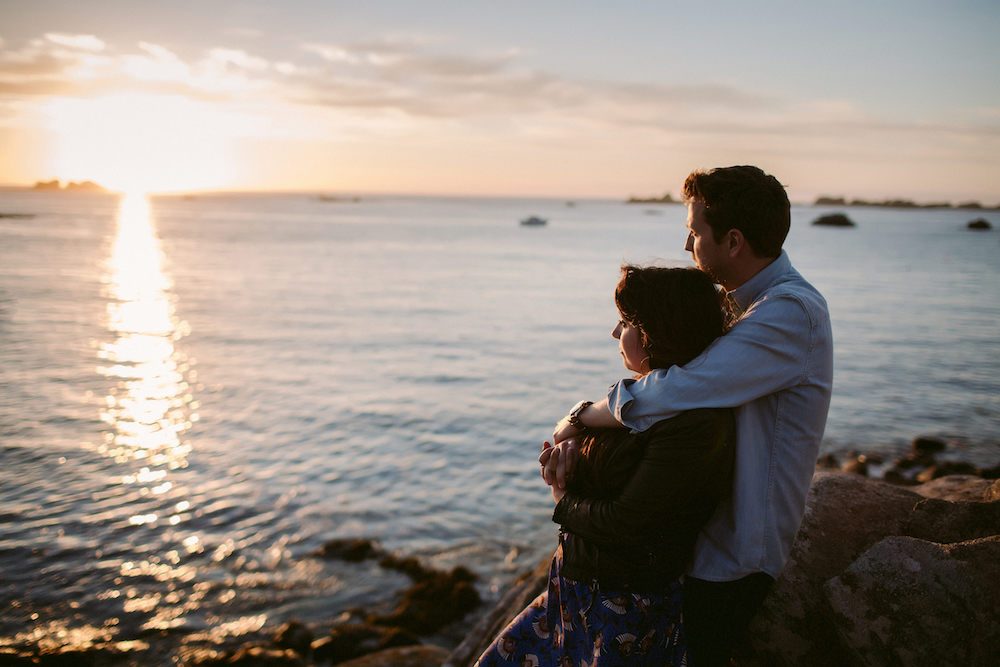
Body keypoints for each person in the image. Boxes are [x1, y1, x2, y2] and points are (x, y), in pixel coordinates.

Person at [545, 165, 834, 666]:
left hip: (735, 552)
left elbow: (678, 389)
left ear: (734, 240)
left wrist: (582, 416)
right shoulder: (743, 306)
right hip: (700, 538)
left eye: (696, 232)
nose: (686, 245)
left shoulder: (789, 313)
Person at [476, 265, 735, 667]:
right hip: (573, 594)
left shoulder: (694, 426)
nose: (616, 333)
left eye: (628, 322)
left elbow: (625, 522)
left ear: (657, 332)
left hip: (624, 613)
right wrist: (562, 466)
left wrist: (560, 495)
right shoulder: (639, 400)